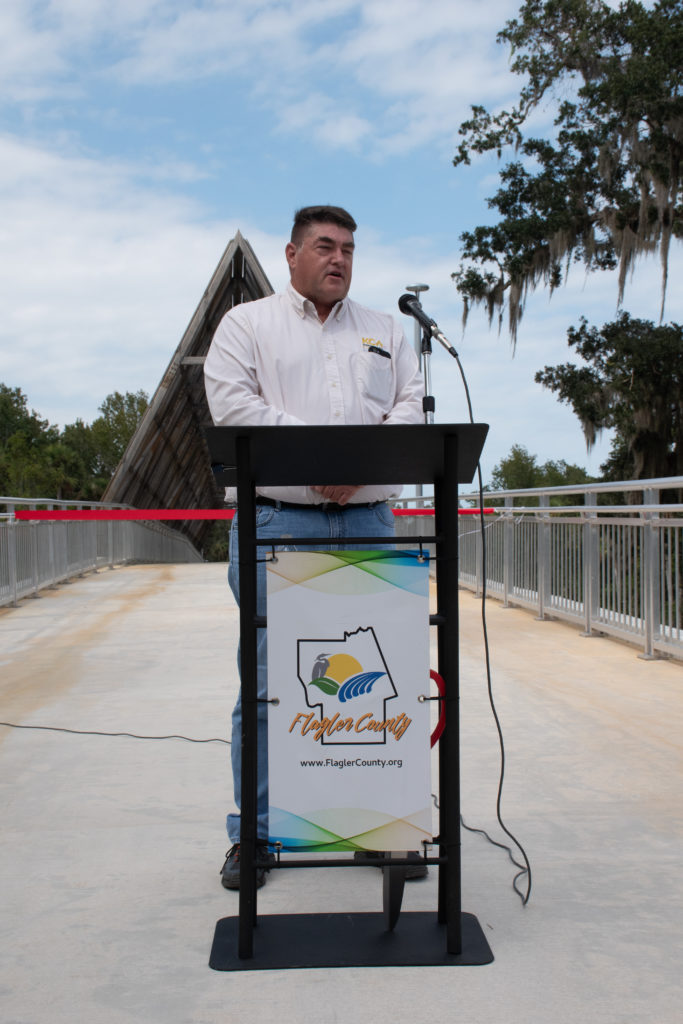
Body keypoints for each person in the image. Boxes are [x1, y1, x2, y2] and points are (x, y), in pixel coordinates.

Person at [204, 205, 425, 888]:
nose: (338, 259)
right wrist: (318, 459)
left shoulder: (387, 329)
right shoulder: (248, 325)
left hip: (368, 520)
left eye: (349, 250)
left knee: (373, 689)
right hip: (278, 521)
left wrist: (361, 466)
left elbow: (410, 403)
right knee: (271, 687)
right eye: (324, 247)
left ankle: (376, 827)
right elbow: (233, 405)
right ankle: (258, 836)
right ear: (292, 253)